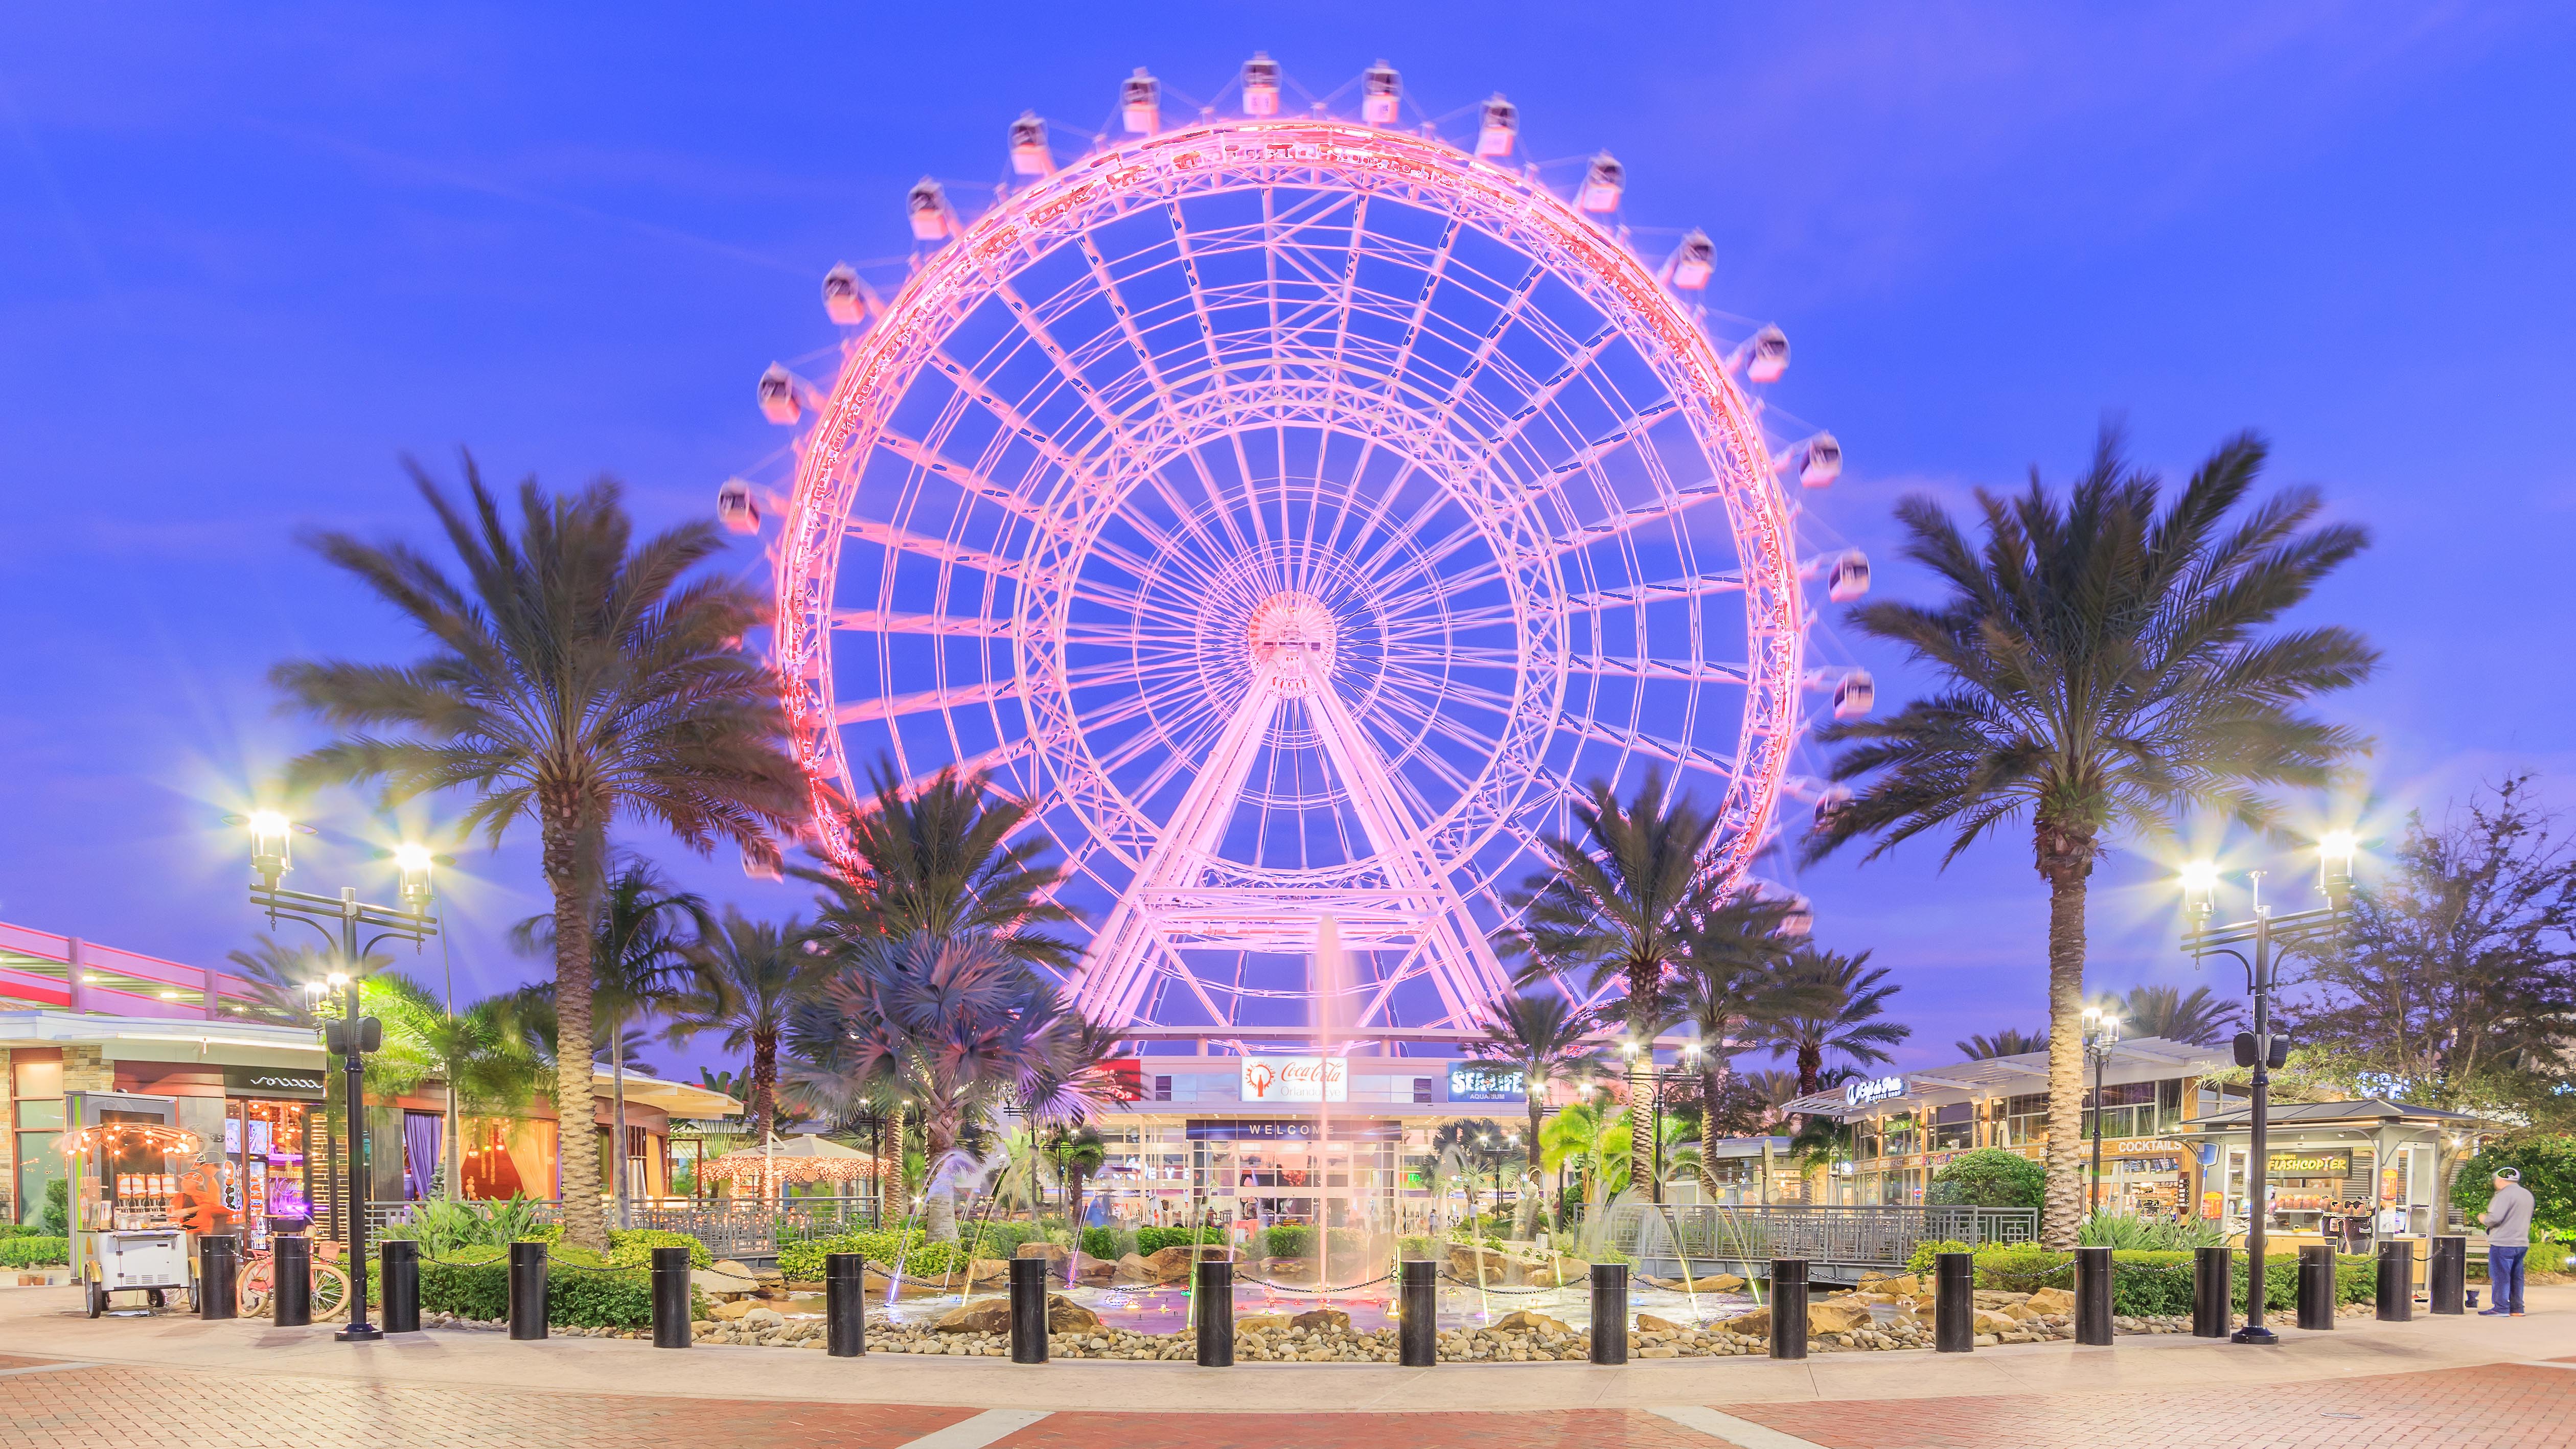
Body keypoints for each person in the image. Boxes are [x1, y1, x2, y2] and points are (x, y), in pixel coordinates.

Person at [2480, 1166, 2535, 1318]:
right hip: (2521, 1242)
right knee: (2517, 1276)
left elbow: (2495, 1218)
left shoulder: (2504, 1195)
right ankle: (2517, 1308)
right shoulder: (2527, 1195)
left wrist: (2483, 1219)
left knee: (2501, 1276)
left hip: (2503, 1242)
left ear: (2499, 1180)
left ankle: (2501, 1308)